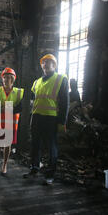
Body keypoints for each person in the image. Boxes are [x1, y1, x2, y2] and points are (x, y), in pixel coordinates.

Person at [23, 54, 69, 185]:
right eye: (44, 62)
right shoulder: (36, 82)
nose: (46, 64)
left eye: (49, 62)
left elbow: (65, 102)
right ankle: (34, 168)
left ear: (54, 65)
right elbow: (34, 100)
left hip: (51, 118)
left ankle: (50, 174)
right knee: (35, 144)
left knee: (51, 147)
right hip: (37, 117)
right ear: (41, 65)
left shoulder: (61, 79)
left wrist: (62, 122)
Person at [0, 67, 24, 176]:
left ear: (13, 79)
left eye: (10, 77)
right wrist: (3, 108)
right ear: (2, 79)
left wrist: (7, 108)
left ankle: (4, 165)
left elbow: (20, 108)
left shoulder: (18, 92)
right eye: (5, 77)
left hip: (11, 123)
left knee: (7, 145)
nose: (7, 79)